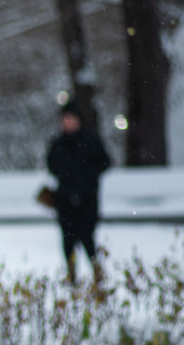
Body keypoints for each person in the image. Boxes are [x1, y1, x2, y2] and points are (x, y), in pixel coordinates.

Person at [47, 99, 111, 285]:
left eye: (71, 119)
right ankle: (72, 274)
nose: (68, 122)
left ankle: (96, 272)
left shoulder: (90, 140)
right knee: (68, 239)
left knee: (87, 237)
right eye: (65, 119)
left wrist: (87, 177)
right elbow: (52, 165)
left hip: (87, 199)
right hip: (65, 200)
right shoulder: (58, 143)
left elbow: (104, 162)